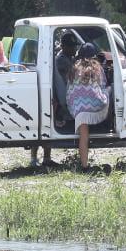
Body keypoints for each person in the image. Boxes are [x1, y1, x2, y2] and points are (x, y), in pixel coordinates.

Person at [32, 31, 82, 168]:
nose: (74, 49)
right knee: (43, 127)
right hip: (60, 98)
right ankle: (38, 158)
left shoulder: (65, 58)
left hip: (57, 96)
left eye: (75, 46)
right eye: (72, 46)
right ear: (64, 46)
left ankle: (44, 158)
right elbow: (73, 79)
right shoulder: (62, 60)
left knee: (43, 127)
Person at [67, 43, 109, 170]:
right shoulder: (97, 68)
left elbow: (69, 88)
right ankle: (108, 123)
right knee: (110, 91)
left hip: (77, 108)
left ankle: (85, 166)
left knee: (83, 137)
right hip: (95, 106)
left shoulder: (73, 68)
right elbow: (103, 84)